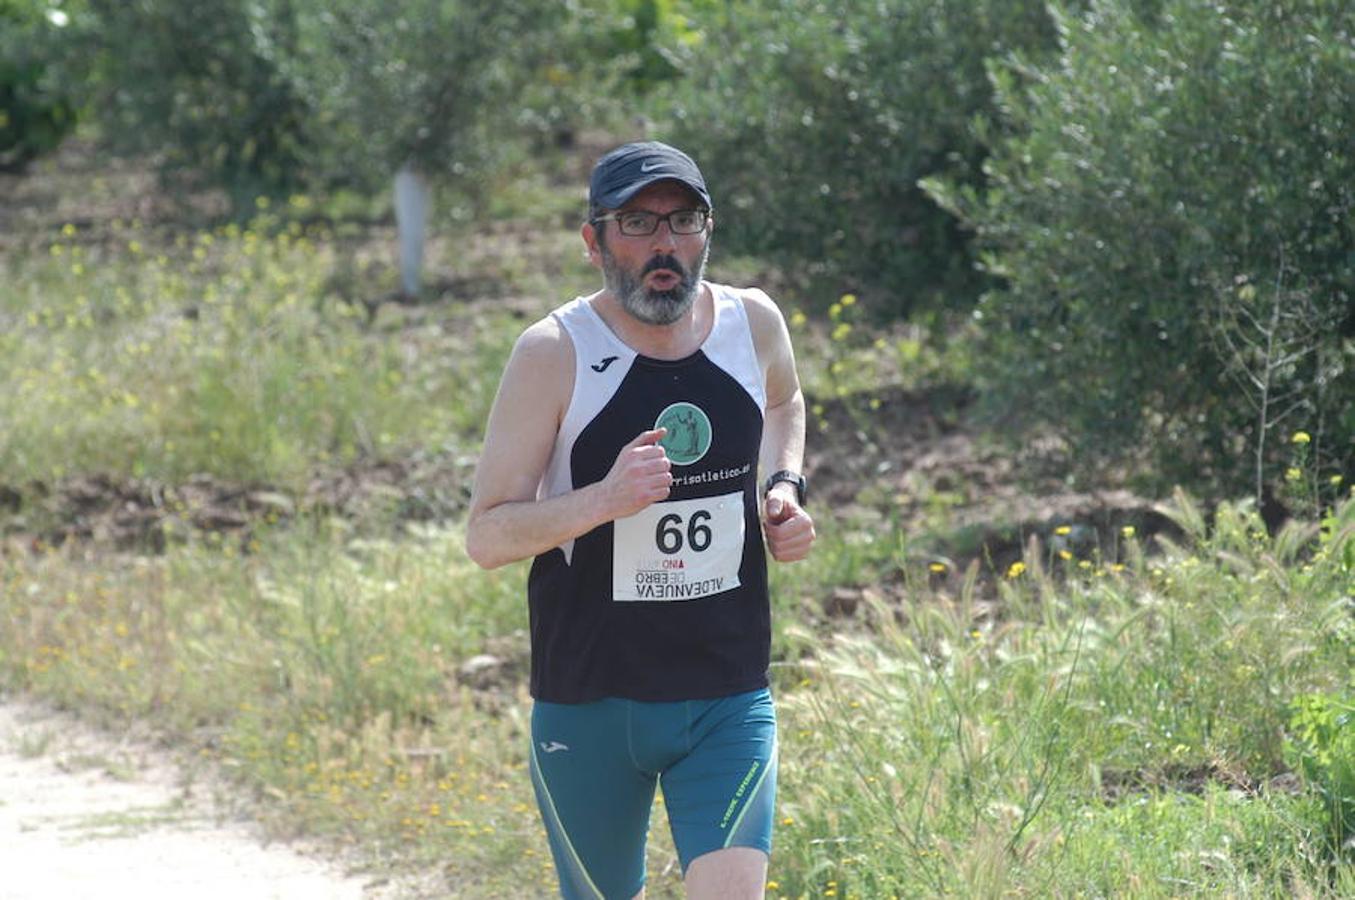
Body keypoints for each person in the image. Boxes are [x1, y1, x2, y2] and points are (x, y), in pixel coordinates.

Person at [466, 140, 816, 900]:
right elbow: (486, 535)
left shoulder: (751, 324)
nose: (665, 244)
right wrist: (603, 499)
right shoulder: (554, 353)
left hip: (726, 691)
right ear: (594, 240)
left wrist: (782, 487)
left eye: (682, 220)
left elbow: (784, 401)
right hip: (591, 702)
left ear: (707, 231)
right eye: (637, 222)